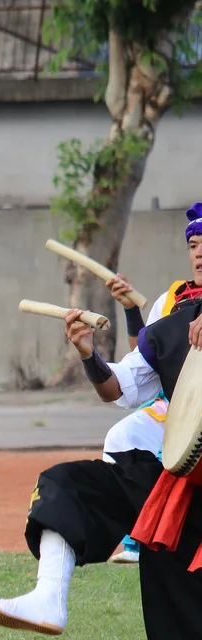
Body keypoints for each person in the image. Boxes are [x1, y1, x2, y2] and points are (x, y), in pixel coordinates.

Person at [0, 295, 202, 640]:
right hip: (176, 480)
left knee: (194, 600)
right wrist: (86, 352)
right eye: (194, 241)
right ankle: (47, 597)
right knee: (67, 483)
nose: (199, 249)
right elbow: (121, 388)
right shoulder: (172, 327)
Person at [97, 204, 202, 564]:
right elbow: (143, 363)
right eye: (193, 245)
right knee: (123, 437)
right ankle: (138, 534)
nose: (199, 252)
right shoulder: (171, 300)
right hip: (178, 408)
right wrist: (129, 312)